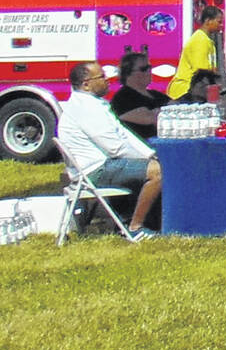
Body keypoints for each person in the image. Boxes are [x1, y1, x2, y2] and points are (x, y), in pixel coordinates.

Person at [57, 62, 161, 240]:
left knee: (153, 164)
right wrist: (150, 162)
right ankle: (135, 228)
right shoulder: (85, 108)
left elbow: (123, 134)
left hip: (103, 165)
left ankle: (143, 220)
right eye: (102, 77)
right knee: (157, 172)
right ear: (86, 84)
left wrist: (149, 154)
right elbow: (116, 148)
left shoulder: (93, 104)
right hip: (94, 171)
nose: (108, 81)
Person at [110, 52, 169, 141]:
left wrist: (157, 112)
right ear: (128, 73)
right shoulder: (122, 97)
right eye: (144, 69)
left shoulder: (156, 94)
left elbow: (178, 110)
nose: (149, 72)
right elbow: (149, 119)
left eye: (149, 68)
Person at [167, 5, 222, 99]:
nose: (221, 25)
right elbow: (201, 71)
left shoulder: (206, 40)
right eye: (219, 22)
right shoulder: (200, 40)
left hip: (196, 90)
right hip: (186, 91)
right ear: (208, 21)